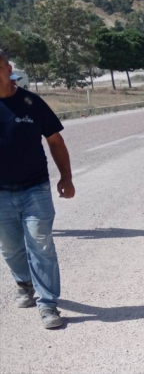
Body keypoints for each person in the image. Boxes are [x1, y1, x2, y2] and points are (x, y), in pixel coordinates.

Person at [0, 48, 75, 329]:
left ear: (8, 69)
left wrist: (66, 178)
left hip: (35, 187)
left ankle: (47, 303)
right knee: (10, 248)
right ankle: (23, 282)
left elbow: (55, 141)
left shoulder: (32, 102)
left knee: (41, 244)